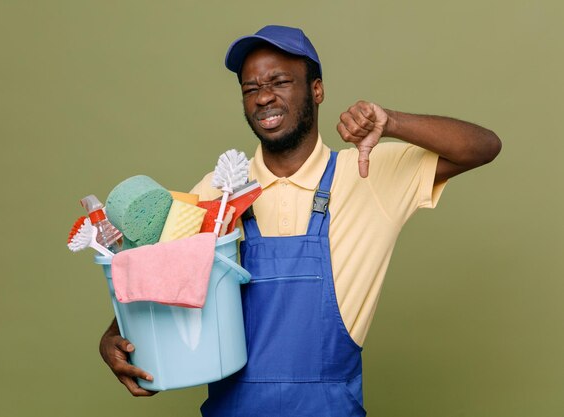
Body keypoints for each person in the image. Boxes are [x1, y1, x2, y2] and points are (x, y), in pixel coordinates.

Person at [99, 25, 501, 416]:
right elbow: (165, 278)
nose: (263, 98)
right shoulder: (218, 193)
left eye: (279, 82)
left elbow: (483, 148)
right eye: (251, 88)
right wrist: (114, 336)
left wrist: (392, 122)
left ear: (317, 89)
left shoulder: (368, 173)